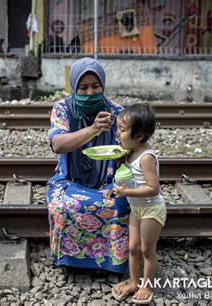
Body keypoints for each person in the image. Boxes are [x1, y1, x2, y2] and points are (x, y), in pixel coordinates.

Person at [46, 57, 130, 272]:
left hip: (109, 181)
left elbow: (133, 148)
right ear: (73, 86)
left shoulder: (117, 111)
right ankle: (70, 261)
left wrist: (122, 162)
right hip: (69, 181)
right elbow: (57, 144)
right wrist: (93, 129)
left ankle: (110, 263)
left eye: (95, 86)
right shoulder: (62, 108)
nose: (90, 93)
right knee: (63, 205)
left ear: (103, 85)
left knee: (120, 205)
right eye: (83, 88)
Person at [111, 103, 166, 304]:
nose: (118, 133)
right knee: (132, 247)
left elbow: (153, 188)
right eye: (118, 128)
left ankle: (146, 285)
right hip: (137, 208)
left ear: (139, 136)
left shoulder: (146, 157)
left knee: (146, 250)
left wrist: (126, 192)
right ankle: (134, 282)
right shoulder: (130, 151)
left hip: (151, 208)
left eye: (123, 130)